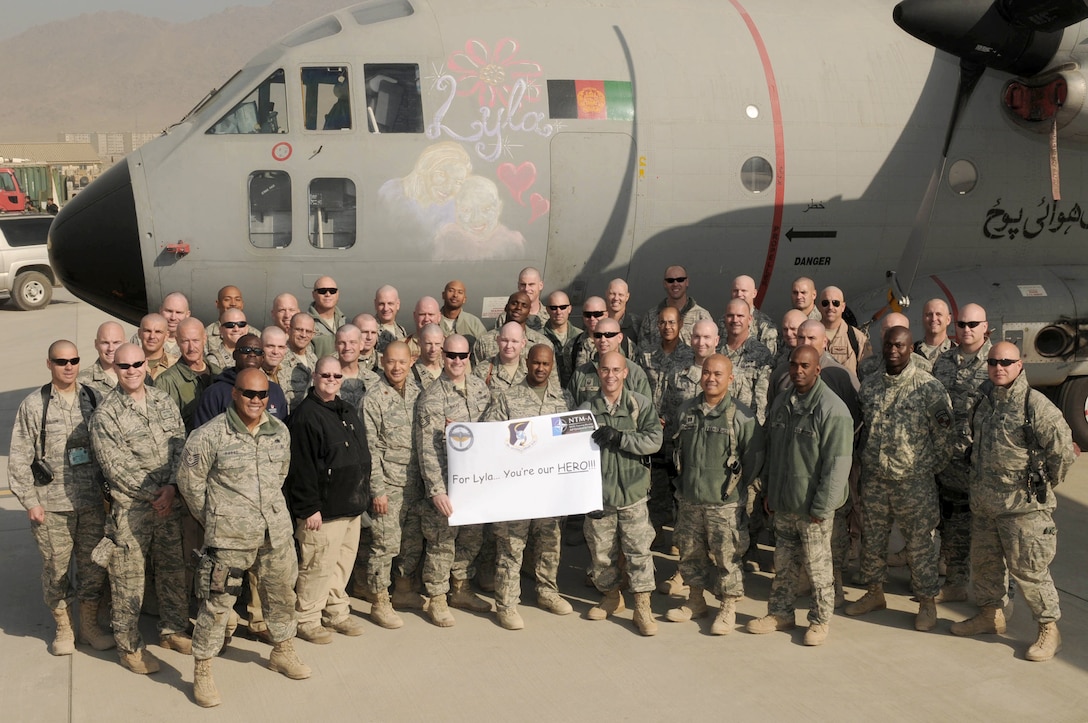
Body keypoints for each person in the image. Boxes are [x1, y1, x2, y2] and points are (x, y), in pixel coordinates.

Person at [178, 368, 311, 707]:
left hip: (275, 534)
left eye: (262, 395)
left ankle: (282, 650)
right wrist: (220, 517)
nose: (256, 400)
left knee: (281, 595)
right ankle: (203, 670)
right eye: (249, 394)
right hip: (229, 540)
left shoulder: (279, 431)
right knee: (217, 604)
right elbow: (190, 485)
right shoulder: (209, 435)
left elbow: (280, 474)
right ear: (234, 393)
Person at [950, 342, 1075, 662]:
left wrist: (1042, 488)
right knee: (986, 566)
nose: (998, 367)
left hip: (1023, 509)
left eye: (1006, 361)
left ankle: (1049, 629)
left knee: (1030, 571)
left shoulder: (1036, 405)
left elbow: (1060, 453)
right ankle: (991, 615)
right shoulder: (984, 402)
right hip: (985, 506)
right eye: (993, 361)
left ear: (1020, 365)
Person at [89, 343, 191, 673]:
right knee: (127, 581)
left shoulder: (162, 399)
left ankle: (173, 630)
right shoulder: (106, 415)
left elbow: (180, 442)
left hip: (169, 504)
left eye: (136, 364)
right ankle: (129, 647)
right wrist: (155, 494)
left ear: (146, 364)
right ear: (114, 369)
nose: (131, 370)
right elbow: (115, 466)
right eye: (124, 366)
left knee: (173, 570)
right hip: (132, 511)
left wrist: (173, 487)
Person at [8, 340, 113, 656]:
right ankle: (64, 629)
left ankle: (89, 627)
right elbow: (18, 458)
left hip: (92, 503)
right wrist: (30, 502)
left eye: (73, 360)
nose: (68, 366)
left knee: (93, 568)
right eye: (60, 361)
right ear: (49, 364)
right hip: (51, 506)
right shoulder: (34, 405)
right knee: (56, 571)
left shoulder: (94, 398)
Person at [845, 327, 953, 631]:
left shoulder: (928, 388)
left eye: (900, 346)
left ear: (910, 349)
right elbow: (862, 430)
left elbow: (945, 438)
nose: (894, 350)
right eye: (889, 345)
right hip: (877, 479)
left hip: (913, 483)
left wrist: (924, 467)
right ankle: (874, 593)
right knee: (874, 540)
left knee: (919, 546)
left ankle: (927, 603)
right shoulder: (870, 386)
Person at [747, 346, 852, 645]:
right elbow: (773, 451)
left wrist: (822, 506)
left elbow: (838, 464)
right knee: (784, 564)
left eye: (805, 366)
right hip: (784, 502)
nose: (798, 371)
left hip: (812, 508)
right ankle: (780, 613)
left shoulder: (832, 410)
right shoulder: (782, 402)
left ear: (817, 369)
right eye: (794, 365)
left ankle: (820, 621)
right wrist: (769, 491)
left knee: (818, 569)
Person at [665, 354, 764, 636]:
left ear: (730, 379)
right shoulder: (686, 411)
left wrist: (736, 489)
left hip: (725, 504)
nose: (711, 378)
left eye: (718, 374)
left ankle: (728, 607)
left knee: (727, 557)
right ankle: (695, 600)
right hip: (690, 501)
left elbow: (754, 458)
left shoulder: (742, 416)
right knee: (690, 553)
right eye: (707, 372)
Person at [482, 344, 576, 629]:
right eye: (536, 363)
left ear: (552, 367)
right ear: (526, 362)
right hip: (517, 488)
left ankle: (547, 591)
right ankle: (507, 603)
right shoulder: (508, 398)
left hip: (549, 488)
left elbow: (572, 441)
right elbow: (490, 434)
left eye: (546, 364)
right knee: (512, 545)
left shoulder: (563, 398)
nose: (540, 368)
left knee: (550, 542)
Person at [286, 357, 371, 644]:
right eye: (325, 375)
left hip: (351, 506)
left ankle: (335, 611)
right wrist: (309, 508)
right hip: (323, 511)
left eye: (336, 376)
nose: (331, 379)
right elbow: (301, 468)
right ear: (314, 375)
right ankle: (308, 618)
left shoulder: (346, 410)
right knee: (317, 566)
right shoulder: (306, 416)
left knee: (341, 564)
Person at [580, 351, 663, 636]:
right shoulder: (586, 410)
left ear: (625, 373)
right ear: (598, 373)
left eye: (617, 370)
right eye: (605, 370)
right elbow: (573, 455)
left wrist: (620, 437)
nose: (611, 375)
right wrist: (585, 496)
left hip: (634, 493)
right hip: (601, 495)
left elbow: (654, 440)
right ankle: (611, 597)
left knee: (639, 552)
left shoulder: (639, 405)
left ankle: (642, 606)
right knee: (601, 553)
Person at [415, 334, 493, 626]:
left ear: (469, 356)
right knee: (441, 542)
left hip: (474, 481)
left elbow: (490, 432)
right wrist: (436, 490)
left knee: (472, 537)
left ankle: (460, 587)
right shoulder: (432, 396)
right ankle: (436, 598)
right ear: (442, 355)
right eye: (451, 355)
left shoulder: (479, 388)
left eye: (462, 356)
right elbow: (427, 448)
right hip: (446, 483)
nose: (457, 361)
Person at [361, 341, 427, 628]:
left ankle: (403, 589)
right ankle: (379, 600)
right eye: (390, 362)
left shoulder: (419, 393)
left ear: (411, 361)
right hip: (388, 483)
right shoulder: (373, 398)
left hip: (416, 483)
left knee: (410, 542)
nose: (397, 367)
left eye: (402, 361)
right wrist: (377, 490)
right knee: (384, 545)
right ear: (381, 361)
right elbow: (370, 449)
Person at [930, 303, 991, 602]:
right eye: (962, 324)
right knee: (953, 526)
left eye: (973, 324)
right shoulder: (943, 362)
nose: (967, 329)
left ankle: (996, 597)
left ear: (985, 327)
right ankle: (954, 583)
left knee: (989, 535)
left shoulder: (998, 363)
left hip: (984, 465)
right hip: (949, 463)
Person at [656, 319, 721, 596]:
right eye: (696, 337)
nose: (701, 342)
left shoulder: (729, 373)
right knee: (686, 521)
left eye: (707, 337)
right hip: (684, 459)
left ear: (716, 339)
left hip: (717, 463)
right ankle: (684, 572)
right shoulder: (677, 371)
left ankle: (718, 575)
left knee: (719, 527)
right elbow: (666, 411)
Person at [639, 306, 693, 548]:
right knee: (656, 484)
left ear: (680, 324)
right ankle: (657, 531)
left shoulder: (690, 356)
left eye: (672, 322)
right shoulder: (646, 355)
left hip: (679, 433)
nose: (667, 327)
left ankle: (681, 538)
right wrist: (650, 417)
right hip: (653, 431)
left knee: (680, 487)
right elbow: (638, 389)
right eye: (662, 322)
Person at [192, 334, 288, 426]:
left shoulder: (275, 391)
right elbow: (202, 433)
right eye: (246, 350)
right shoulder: (215, 393)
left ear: (263, 357)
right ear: (235, 355)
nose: (252, 354)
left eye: (258, 351)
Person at [568, 317, 652, 406]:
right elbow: (569, 410)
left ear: (619, 338)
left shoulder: (635, 373)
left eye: (608, 335)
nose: (603, 340)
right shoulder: (581, 374)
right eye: (598, 335)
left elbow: (646, 412)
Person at [154, 317, 217, 432]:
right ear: (177, 341)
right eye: (185, 341)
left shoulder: (218, 373)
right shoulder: (166, 382)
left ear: (204, 339)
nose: (191, 348)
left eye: (195, 340)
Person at [718, 298, 773, 425]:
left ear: (749, 320)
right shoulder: (716, 350)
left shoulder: (761, 354)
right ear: (725, 319)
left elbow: (762, 399)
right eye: (730, 316)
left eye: (740, 316)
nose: (735, 320)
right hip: (718, 424)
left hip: (745, 424)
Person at [637, 265, 712, 351]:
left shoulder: (702, 316)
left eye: (680, 280)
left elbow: (710, 351)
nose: (675, 284)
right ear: (665, 284)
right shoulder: (651, 316)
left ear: (687, 282)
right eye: (670, 281)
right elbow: (642, 350)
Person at [473, 291, 550, 365]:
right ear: (506, 307)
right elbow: (474, 375)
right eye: (514, 303)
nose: (518, 308)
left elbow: (552, 377)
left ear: (529, 312)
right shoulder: (484, 341)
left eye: (524, 305)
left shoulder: (542, 343)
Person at [818, 286, 871, 375]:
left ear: (843, 307)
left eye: (836, 303)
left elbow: (868, 373)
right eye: (825, 303)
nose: (830, 307)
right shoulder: (808, 336)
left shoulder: (857, 338)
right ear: (819, 307)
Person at [729, 274, 780, 356]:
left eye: (743, 291)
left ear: (754, 293)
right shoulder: (724, 321)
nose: (739, 294)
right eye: (735, 291)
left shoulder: (765, 324)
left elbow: (769, 359)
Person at [541, 290, 582, 387]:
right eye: (554, 308)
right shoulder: (538, 338)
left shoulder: (581, 337)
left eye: (563, 307)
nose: (558, 312)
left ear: (569, 309)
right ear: (547, 309)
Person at [335, 324, 380, 409]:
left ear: (361, 345)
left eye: (352, 342)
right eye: (342, 343)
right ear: (335, 346)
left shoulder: (374, 380)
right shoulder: (326, 380)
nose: (347, 348)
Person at [473, 321, 527, 390]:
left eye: (514, 341)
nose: (508, 346)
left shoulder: (531, 369)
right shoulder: (482, 371)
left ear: (523, 343)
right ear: (498, 340)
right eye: (505, 340)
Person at [282, 313, 318, 410]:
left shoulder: (313, 358)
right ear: (289, 330)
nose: (303, 335)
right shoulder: (279, 358)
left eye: (308, 331)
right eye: (299, 330)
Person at [439, 279, 487, 353]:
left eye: (460, 292)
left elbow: (485, 348)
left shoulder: (473, 322)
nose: (455, 295)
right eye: (451, 290)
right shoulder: (432, 320)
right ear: (443, 295)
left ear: (464, 299)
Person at [78, 321, 125, 395]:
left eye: (116, 342)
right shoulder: (82, 381)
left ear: (125, 343)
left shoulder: (137, 375)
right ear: (96, 344)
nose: (111, 348)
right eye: (105, 343)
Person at [309, 276, 345, 357]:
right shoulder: (305, 324)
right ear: (313, 294)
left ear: (337, 294)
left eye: (332, 291)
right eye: (322, 291)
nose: (328, 294)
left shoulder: (345, 322)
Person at [572, 296, 610, 369]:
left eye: (597, 314)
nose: (592, 318)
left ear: (606, 315)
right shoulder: (573, 345)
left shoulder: (622, 343)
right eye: (588, 315)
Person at [137, 312, 177, 380]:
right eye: (148, 331)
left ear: (166, 336)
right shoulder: (127, 364)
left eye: (158, 332)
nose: (152, 336)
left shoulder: (176, 366)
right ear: (139, 333)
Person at [606, 278, 640, 351]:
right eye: (612, 294)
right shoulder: (596, 321)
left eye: (620, 295)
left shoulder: (636, 324)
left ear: (627, 297)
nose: (616, 298)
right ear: (606, 294)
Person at [916, 298, 954, 362]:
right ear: (923, 318)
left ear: (948, 319)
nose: (933, 319)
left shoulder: (958, 353)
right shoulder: (911, 352)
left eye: (938, 314)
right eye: (929, 314)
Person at [406, 296, 442, 360]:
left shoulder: (451, 346)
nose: (426, 319)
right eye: (422, 314)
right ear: (414, 316)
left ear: (439, 316)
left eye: (431, 314)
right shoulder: (403, 345)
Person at [411, 323, 446, 388]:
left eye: (437, 344)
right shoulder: (411, 373)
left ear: (442, 342)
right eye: (428, 344)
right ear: (419, 343)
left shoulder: (449, 368)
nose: (433, 349)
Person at [158, 291, 191, 358]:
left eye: (178, 312)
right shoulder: (144, 339)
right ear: (160, 311)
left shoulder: (195, 343)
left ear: (187, 315)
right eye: (169, 311)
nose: (173, 317)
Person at [374, 285, 408, 351]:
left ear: (398, 305)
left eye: (390, 303)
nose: (386, 308)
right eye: (381, 304)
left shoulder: (401, 331)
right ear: (375, 304)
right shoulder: (369, 330)